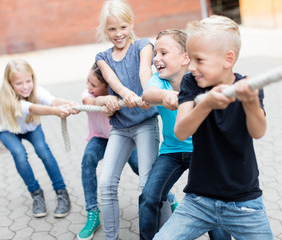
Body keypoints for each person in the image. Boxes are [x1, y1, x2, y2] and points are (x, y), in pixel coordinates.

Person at [154, 15, 274, 240]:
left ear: (227, 59)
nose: (191, 67)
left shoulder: (248, 86)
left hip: (244, 203)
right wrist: (206, 104)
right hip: (198, 201)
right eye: (190, 59)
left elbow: (258, 132)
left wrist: (250, 103)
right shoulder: (192, 83)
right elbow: (181, 131)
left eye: (199, 60)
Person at [140, 29, 231, 240]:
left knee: (208, 201)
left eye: (164, 53)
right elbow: (147, 94)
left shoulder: (198, 80)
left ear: (185, 58)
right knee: (148, 196)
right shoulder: (158, 81)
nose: (156, 59)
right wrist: (165, 95)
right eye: (155, 54)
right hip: (171, 152)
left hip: (202, 152)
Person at [95, 1, 159, 239]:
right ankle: (111, 237)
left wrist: (146, 93)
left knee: (148, 185)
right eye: (112, 29)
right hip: (120, 128)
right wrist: (123, 96)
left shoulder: (143, 45)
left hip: (144, 123)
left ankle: (162, 234)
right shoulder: (102, 57)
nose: (118, 34)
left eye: (123, 27)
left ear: (132, 23)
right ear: (105, 30)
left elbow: (145, 71)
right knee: (106, 182)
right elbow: (114, 82)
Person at [0, 59, 78, 218]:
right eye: (19, 83)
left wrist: (69, 102)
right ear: (10, 84)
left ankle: (61, 192)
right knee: (19, 154)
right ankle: (36, 193)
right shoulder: (8, 98)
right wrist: (55, 111)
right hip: (8, 130)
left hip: (30, 127)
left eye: (28, 81)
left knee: (43, 151)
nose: (25, 86)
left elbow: (52, 101)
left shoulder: (36, 91)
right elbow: (32, 108)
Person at [77, 63, 139, 240]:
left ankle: (168, 198)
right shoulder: (88, 93)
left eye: (94, 85)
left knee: (140, 166)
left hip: (123, 137)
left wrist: (113, 102)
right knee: (88, 158)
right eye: (87, 81)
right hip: (100, 138)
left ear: (108, 86)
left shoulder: (120, 95)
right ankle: (92, 213)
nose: (88, 87)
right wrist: (104, 101)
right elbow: (88, 101)